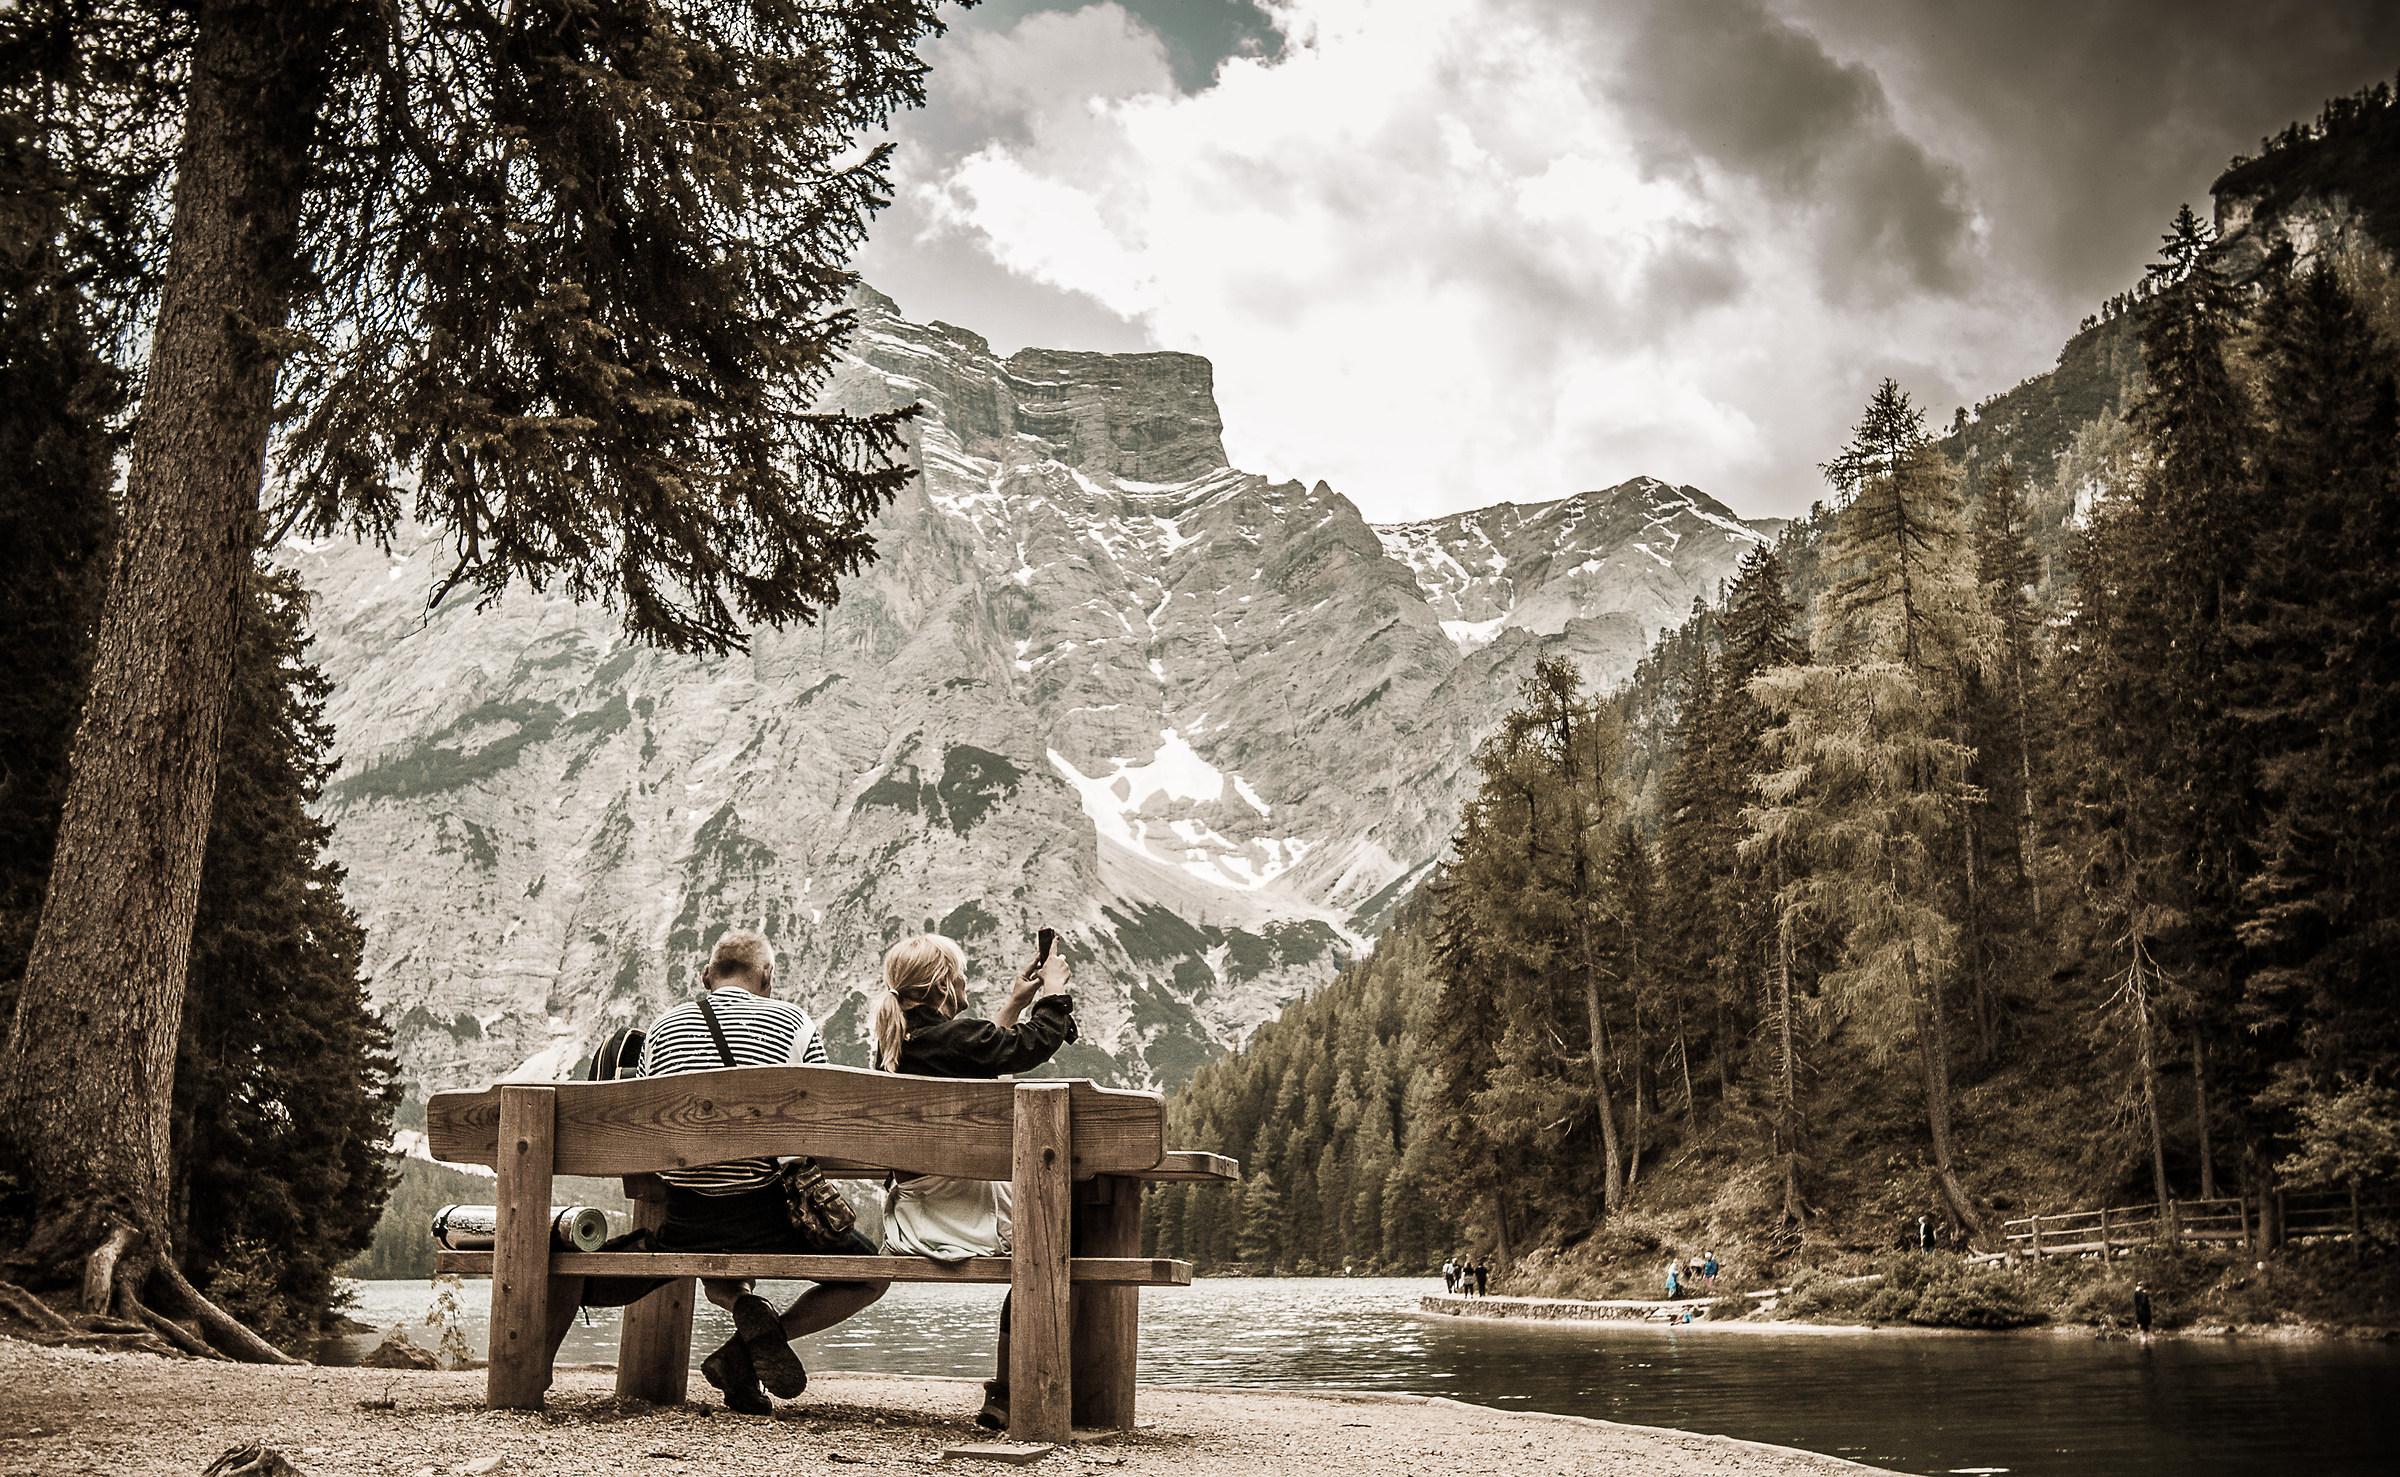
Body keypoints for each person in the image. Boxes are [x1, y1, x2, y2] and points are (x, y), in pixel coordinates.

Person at [552, 931, 889, 1415]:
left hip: (688, 1223)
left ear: (707, 977)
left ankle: (742, 1318)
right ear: (767, 976)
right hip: (766, 1218)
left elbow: (652, 1129)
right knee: (871, 1275)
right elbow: (817, 1125)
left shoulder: (664, 1026)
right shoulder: (793, 1021)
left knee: (718, 1267)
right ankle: (750, 1348)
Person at [876, 931, 1075, 1431]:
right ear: (945, 984)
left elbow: (980, 1058)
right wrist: (1053, 995)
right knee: (1050, 1248)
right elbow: (1027, 1048)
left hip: (914, 1215)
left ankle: (1009, 1389)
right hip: (963, 1213)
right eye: (961, 971)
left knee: (1042, 1245)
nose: (967, 978)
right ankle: (1009, 1392)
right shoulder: (951, 1039)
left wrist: (1012, 1004)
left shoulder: (897, 1044)